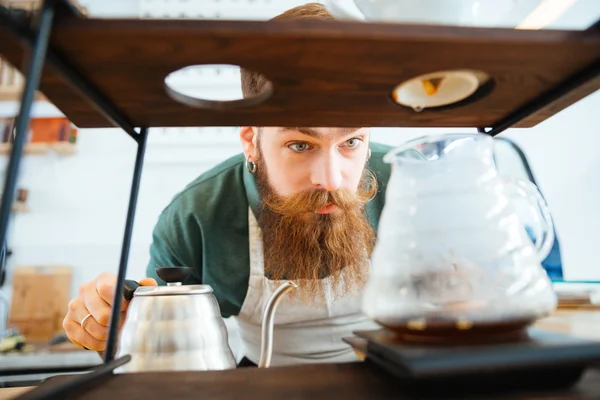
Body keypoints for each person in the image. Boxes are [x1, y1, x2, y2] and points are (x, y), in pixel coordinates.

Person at [63, 3, 393, 367]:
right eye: (300, 145)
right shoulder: (195, 218)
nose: (331, 179)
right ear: (251, 139)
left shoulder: (409, 182)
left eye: (351, 143)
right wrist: (110, 324)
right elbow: (154, 348)